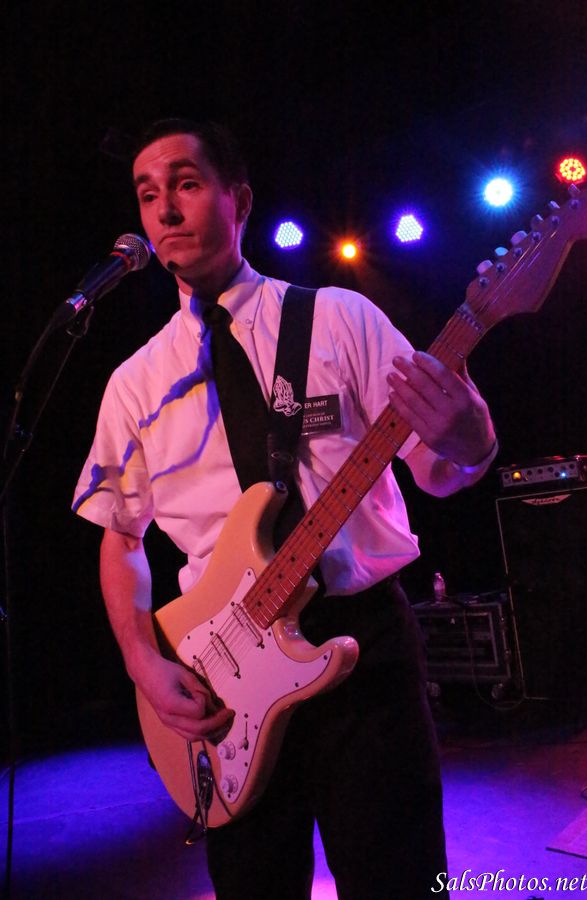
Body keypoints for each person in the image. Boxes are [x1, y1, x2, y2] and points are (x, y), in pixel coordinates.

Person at [73, 117, 497, 900]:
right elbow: (120, 538)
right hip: (221, 676)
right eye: (147, 194)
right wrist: (142, 662)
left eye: (186, 184)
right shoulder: (135, 383)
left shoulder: (340, 318)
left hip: (362, 648)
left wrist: (470, 435)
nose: (165, 209)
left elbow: (439, 470)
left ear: (239, 201)